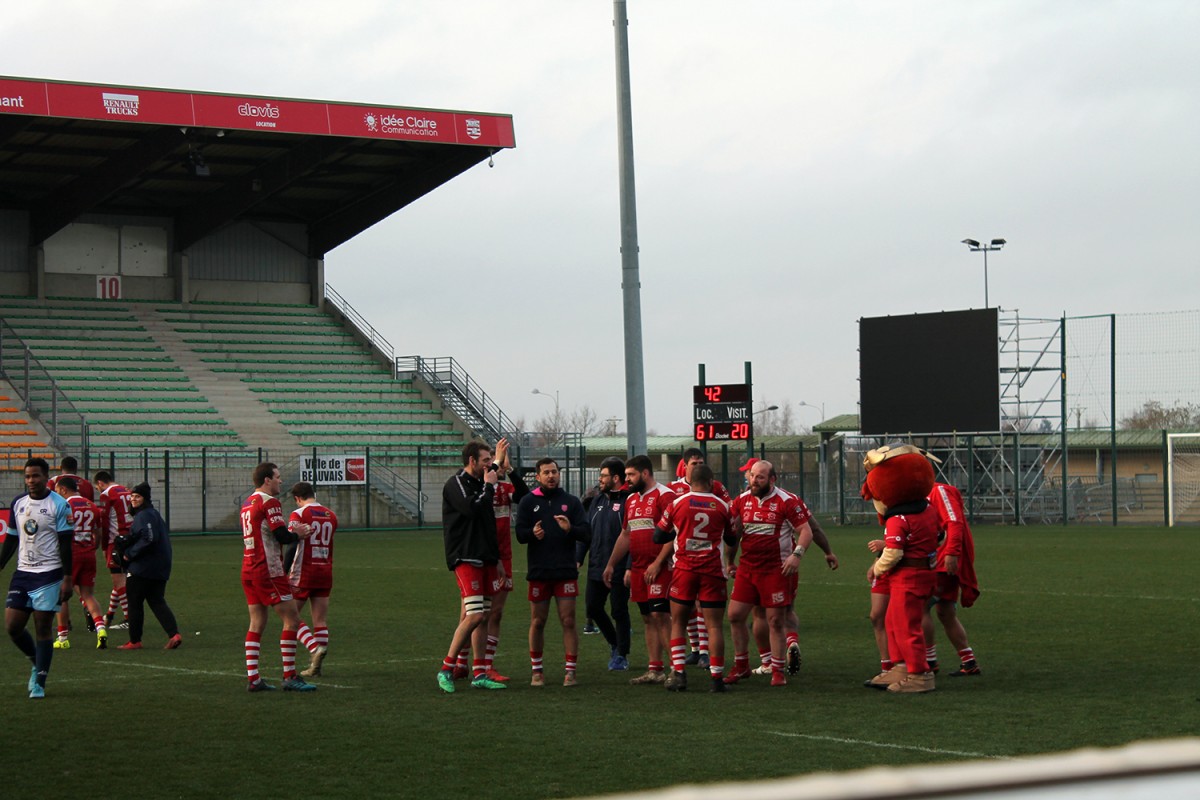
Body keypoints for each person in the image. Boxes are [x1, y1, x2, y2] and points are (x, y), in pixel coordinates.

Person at [724, 460, 813, 687]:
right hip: (747, 568)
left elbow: (806, 531)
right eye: (752, 475)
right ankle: (741, 666)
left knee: (775, 620)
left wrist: (796, 555)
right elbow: (734, 532)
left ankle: (777, 671)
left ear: (772, 479)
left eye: (760, 477)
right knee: (735, 615)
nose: (754, 480)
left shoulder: (786, 501)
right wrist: (730, 561)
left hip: (775, 570)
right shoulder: (741, 500)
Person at [655, 464, 733, 693]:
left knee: (678, 622)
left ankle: (679, 674)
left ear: (690, 482)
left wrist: (679, 530)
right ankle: (717, 679)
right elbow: (731, 538)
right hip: (712, 571)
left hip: (684, 570)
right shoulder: (722, 506)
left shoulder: (677, 503)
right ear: (711, 482)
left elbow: (658, 535)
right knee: (714, 626)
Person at [0, 458, 73, 699]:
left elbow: (66, 544)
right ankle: (35, 660)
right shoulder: (18, 503)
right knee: (12, 626)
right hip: (23, 573)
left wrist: (67, 577)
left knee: (42, 626)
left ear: (46, 477)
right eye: (28, 476)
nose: (31, 480)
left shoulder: (59, 505)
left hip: (49, 573)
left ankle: (40, 682)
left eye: (36, 476)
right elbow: (12, 538)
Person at [241, 462, 317, 692]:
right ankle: (290, 675)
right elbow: (282, 535)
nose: (280, 481)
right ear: (267, 480)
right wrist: (298, 533)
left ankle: (254, 678)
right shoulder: (269, 502)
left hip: (249, 568)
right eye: (277, 477)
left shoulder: (247, 503)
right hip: (268, 570)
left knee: (257, 622)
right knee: (292, 619)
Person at [515, 457, 590, 687]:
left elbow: (586, 532)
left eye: (554, 472)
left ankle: (571, 672)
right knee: (538, 621)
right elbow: (519, 534)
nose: (551, 476)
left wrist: (570, 529)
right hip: (539, 571)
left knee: (568, 620)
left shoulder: (571, 502)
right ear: (538, 476)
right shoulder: (528, 502)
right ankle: (537, 671)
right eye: (546, 472)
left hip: (565, 571)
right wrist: (532, 534)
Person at [439, 441, 507, 692]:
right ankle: (446, 668)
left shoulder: (481, 482)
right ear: (472, 461)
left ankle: (479, 673)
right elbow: (472, 508)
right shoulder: (456, 484)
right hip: (465, 556)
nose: (490, 465)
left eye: (490, 460)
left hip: (485, 557)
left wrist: (496, 559)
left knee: (484, 616)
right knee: (475, 615)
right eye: (485, 460)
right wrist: (489, 485)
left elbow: (488, 523)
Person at [603, 455, 676, 686]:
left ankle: (677, 669)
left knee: (660, 616)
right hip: (639, 568)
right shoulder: (632, 499)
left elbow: (673, 535)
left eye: (631, 475)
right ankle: (655, 669)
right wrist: (611, 564)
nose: (627, 479)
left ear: (645, 473)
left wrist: (658, 563)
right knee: (647, 617)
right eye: (626, 475)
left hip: (660, 568)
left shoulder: (665, 496)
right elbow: (626, 534)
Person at [668, 448, 732, 668]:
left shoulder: (717, 488)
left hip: (705, 557)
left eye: (701, 462)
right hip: (681, 554)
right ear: (684, 466)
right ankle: (696, 649)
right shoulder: (674, 489)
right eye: (694, 463)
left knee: (699, 605)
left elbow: (730, 512)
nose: (698, 466)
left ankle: (704, 651)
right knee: (686, 608)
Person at [577, 457, 632, 671]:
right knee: (593, 607)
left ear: (616, 478)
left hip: (618, 567)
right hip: (597, 566)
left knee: (619, 611)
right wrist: (579, 557)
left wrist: (629, 566)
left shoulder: (628, 501)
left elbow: (631, 537)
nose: (600, 479)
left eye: (603, 476)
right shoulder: (597, 501)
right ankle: (615, 643)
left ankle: (622, 655)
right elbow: (587, 532)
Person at [480, 438, 529, 682]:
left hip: (504, 557)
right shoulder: (478, 487)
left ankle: (487, 665)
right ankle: (460, 662)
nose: (495, 465)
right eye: (491, 462)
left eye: (496, 461)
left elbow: (525, 496)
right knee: (475, 614)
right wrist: (496, 462)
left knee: (496, 613)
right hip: (481, 556)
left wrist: (509, 469)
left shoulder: (504, 488)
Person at [113, 483, 181, 650]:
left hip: (144, 567)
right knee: (157, 600)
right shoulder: (153, 514)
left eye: (138, 496)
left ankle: (135, 640)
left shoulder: (144, 515)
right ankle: (174, 634)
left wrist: (129, 553)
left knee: (134, 602)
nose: (133, 499)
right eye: (132, 496)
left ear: (145, 499)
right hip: (160, 566)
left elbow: (149, 538)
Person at [924, 481, 981, 676]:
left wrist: (952, 552)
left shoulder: (938, 490)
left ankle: (929, 661)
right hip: (939, 558)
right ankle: (969, 661)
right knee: (946, 612)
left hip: (942, 561)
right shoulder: (921, 494)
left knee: (919, 606)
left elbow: (954, 521)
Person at [285, 482, 338, 677]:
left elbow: (292, 544)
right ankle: (316, 667)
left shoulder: (298, 514)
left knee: (290, 617)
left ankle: (314, 647)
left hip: (303, 572)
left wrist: (283, 570)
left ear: (297, 498)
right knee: (320, 620)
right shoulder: (331, 515)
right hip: (324, 571)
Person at [52, 477, 108, 650]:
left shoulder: (63, 506)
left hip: (70, 555)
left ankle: (62, 638)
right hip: (88, 554)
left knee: (62, 596)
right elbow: (98, 534)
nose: (55, 493)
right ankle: (101, 629)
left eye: (57, 490)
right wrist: (92, 548)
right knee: (88, 595)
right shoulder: (92, 506)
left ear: (63, 489)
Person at [93, 471, 133, 630]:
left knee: (119, 581)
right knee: (120, 579)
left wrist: (104, 546)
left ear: (100, 483)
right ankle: (109, 616)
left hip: (116, 540)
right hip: (130, 538)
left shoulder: (107, 494)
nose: (98, 491)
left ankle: (129, 619)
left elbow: (104, 522)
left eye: (97, 488)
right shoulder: (126, 490)